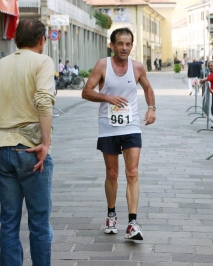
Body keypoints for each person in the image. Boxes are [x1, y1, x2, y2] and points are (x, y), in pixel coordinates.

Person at [0, 18, 55, 266]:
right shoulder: (43, 62)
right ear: (42, 41)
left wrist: (2, 118)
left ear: (16, 39)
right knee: (39, 222)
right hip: (30, 147)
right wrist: (46, 142)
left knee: (8, 222)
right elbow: (43, 100)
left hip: (1, 148)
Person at [81, 27, 156, 241]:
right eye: (120, 43)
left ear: (132, 46)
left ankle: (132, 223)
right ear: (112, 45)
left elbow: (149, 89)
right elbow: (86, 91)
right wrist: (107, 98)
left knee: (132, 172)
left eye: (128, 44)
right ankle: (111, 215)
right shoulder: (103, 65)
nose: (124, 48)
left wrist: (151, 108)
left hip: (131, 126)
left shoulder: (138, 67)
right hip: (108, 127)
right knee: (112, 173)